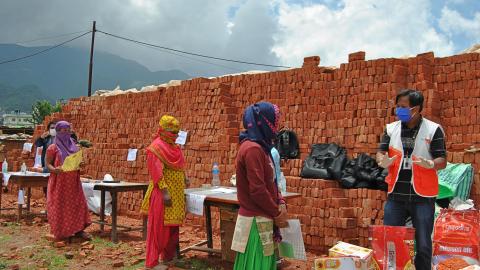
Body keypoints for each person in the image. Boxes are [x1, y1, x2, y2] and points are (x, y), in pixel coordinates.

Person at [377, 89, 446, 270]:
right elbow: (381, 150)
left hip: (422, 197)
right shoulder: (391, 129)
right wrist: (382, 160)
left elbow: (442, 160)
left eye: (403, 107)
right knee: (391, 240)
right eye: (397, 106)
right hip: (396, 195)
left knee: (423, 244)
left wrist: (431, 164)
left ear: (416, 109)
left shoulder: (433, 129)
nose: (398, 110)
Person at [232, 102, 288, 270]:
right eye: (274, 121)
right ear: (263, 122)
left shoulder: (261, 147)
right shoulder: (253, 149)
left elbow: (271, 182)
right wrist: (276, 212)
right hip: (255, 222)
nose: (276, 126)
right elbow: (257, 190)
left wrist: (281, 201)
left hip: (259, 219)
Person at [141, 115, 186, 269]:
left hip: (177, 195)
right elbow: (156, 172)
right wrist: (165, 192)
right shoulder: (156, 148)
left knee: (173, 228)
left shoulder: (175, 147)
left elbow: (180, 167)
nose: (175, 135)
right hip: (163, 194)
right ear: (163, 130)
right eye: (172, 132)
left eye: (177, 132)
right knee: (159, 230)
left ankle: (168, 258)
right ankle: (152, 262)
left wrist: (184, 179)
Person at [45, 121, 91, 241]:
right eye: (63, 131)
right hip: (59, 182)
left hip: (73, 182)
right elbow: (48, 164)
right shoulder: (52, 147)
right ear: (58, 132)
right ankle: (62, 231)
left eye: (68, 130)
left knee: (76, 204)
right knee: (60, 205)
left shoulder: (74, 146)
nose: (65, 133)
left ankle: (78, 230)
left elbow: (78, 161)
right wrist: (55, 169)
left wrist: (81, 163)